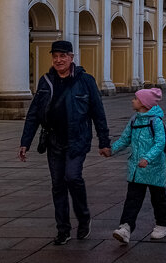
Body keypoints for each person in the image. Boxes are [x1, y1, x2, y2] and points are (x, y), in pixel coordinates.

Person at [19, 40, 112, 245]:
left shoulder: (86, 81)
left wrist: (104, 141)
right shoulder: (46, 81)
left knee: (72, 177)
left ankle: (84, 217)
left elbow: (98, 113)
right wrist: (25, 142)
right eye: (55, 56)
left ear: (71, 58)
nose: (58, 60)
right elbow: (34, 113)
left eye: (63, 56)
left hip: (77, 139)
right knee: (57, 184)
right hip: (53, 141)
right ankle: (63, 229)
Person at [109, 87, 166, 245]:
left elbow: (160, 143)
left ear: (144, 103)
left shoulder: (155, 121)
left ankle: (162, 225)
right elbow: (125, 138)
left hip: (154, 168)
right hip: (137, 168)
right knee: (132, 199)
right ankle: (126, 228)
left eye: (136, 99)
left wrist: (147, 159)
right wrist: (111, 150)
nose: (133, 100)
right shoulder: (134, 120)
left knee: (158, 198)